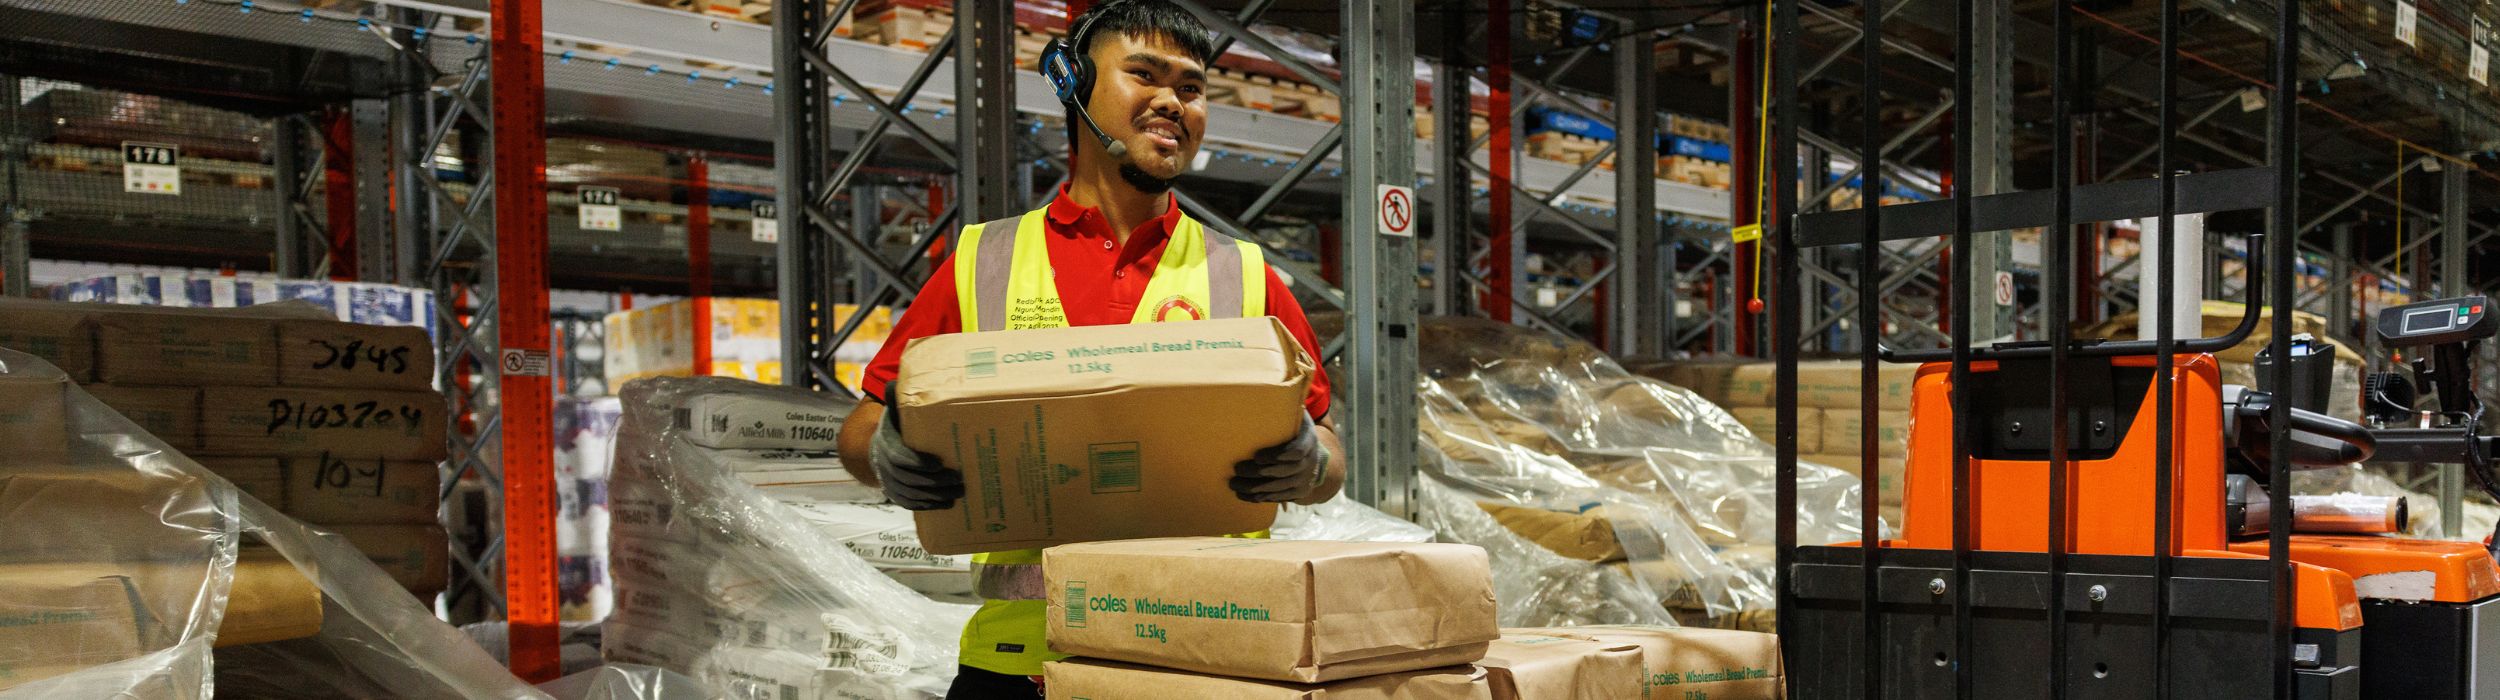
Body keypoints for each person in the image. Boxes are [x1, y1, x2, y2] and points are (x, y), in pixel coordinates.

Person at [832, 1, 1343, 697]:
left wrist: (1312, 464)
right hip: (1020, 665)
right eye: (1145, 75)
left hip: (1202, 660)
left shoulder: (1243, 275)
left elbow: (1329, 452)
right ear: (1072, 82)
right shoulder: (986, 261)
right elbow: (860, 432)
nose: (1173, 101)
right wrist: (889, 451)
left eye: (1191, 89)